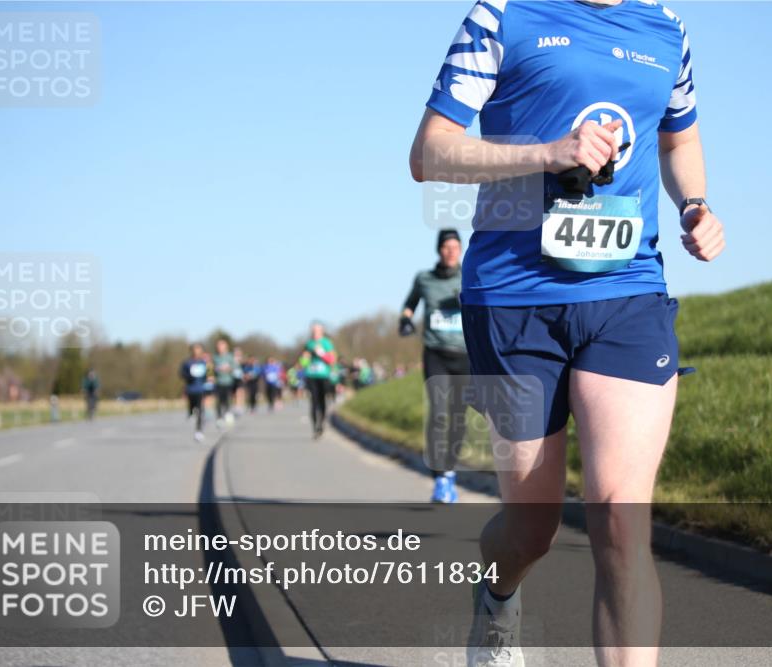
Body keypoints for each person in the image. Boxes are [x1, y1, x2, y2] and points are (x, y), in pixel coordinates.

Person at [410, 2, 725, 666]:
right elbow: (429, 151)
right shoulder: (502, 13)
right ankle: (498, 600)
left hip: (627, 290)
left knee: (619, 514)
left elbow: (680, 138)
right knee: (532, 527)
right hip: (514, 296)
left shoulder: (666, 26)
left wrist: (694, 203)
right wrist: (548, 152)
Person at [400, 228, 470, 503]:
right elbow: (409, 305)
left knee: (458, 417)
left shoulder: (469, 275)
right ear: (439, 250)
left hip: (465, 355)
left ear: (460, 250)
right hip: (436, 353)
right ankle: (440, 475)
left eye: (456, 247)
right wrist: (405, 320)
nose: (451, 251)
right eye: (446, 247)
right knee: (439, 413)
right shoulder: (424, 279)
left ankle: (449, 471)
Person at [304, 322, 337, 438]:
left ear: (321, 331)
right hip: (311, 376)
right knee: (313, 401)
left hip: (324, 376)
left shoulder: (326, 343)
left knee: (322, 401)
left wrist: (321, 353)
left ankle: (321, 423)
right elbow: (304, 361)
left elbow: (332, 360)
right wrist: (305, 358)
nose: (315, 332)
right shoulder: (309, 344)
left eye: (317, 330)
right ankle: (315, 427)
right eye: (313, 330)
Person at [180, 343, 209, 442]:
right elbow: (181, 374)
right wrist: (189, 376)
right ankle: (191, 413)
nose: (197, 352)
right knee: (192, 409)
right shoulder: (187, 363)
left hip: (200, 389)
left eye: (198, 350)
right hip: (190, 389)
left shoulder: (204, 363)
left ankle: (199, 431)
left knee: (201, 410)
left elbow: (208, 375)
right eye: (195, 350)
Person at [212, 338, 237, 425]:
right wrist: (214, 371)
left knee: (227, 399)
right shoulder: (215, 357)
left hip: (228, 381)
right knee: (218, 400)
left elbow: (235, 367)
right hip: (218, 382)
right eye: (218, 345)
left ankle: (227, 413)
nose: (219, 347)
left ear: (225, 346)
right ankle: (219, 417)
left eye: (221, 345)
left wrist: (228, 368)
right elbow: (210, 368)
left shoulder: (230, 356)